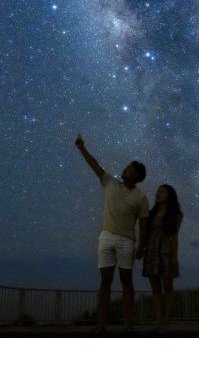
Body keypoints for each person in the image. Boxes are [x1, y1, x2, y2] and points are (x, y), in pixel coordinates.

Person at [74, 133, 149, 334]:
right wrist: (82, 148)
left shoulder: (141, 197)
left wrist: (142, 246)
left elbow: (144, 223)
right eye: (126, 167)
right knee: (105, 282)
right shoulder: (110, 182)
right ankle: (101, 324)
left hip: (127, 241)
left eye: (130, 169)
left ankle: (127, 324)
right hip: (106, 237)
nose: (125, 169)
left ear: (137, 176)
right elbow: (95, 166)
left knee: (127, 283)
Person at [142, 184, 183, 334]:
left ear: (169, 195)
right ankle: (158, 321)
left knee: (168, 288)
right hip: (152, 253)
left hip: (166, 252)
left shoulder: (175, 214)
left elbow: (174, 237)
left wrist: (174, 257)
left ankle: (166, 321)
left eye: (162, 192)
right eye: (158, 191)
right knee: (156, 290)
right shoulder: (151, 213)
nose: (158, 194)